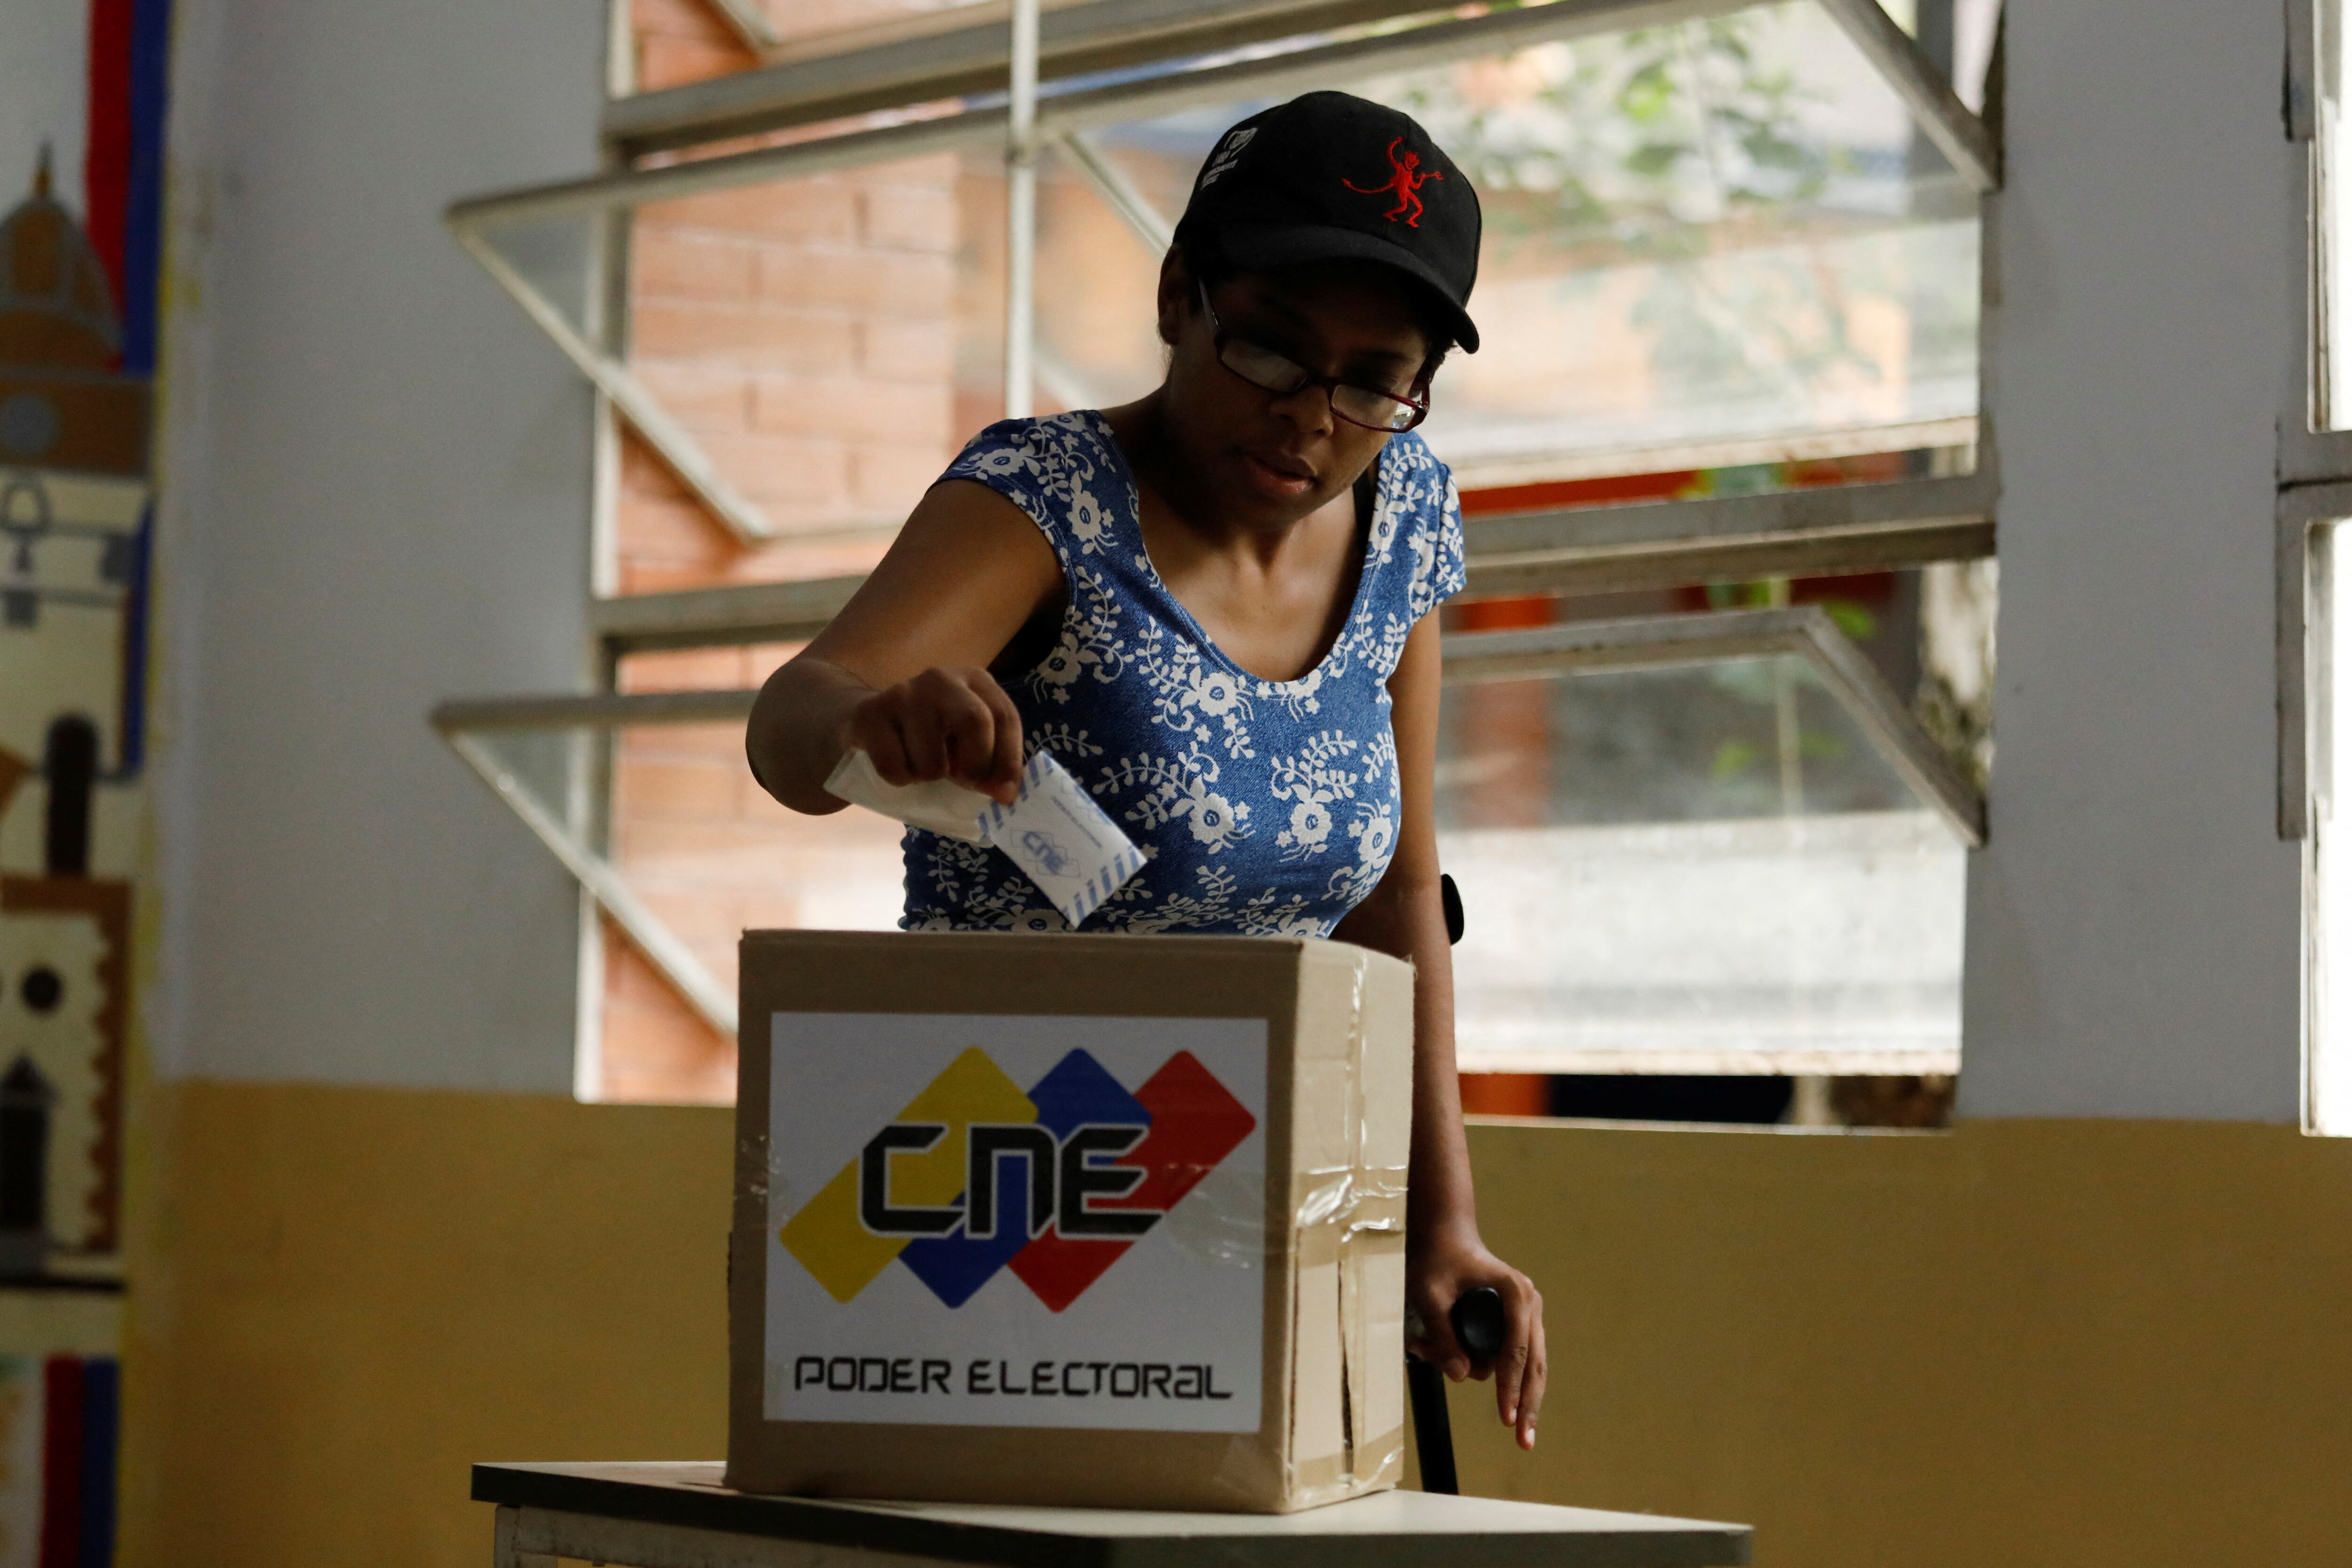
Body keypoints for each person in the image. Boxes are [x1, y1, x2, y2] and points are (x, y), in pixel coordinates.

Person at [747, 89, 1547, 1451]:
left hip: (1264, 1199)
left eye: (1375, 380)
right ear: (1181, 297)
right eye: (1271, 353)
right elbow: (791, 722)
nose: (1314, 420)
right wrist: (877, 719)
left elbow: (1396, 892)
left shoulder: (1406, 510)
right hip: (1003, 1189)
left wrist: (1444, 1225)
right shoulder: (1049, 499)